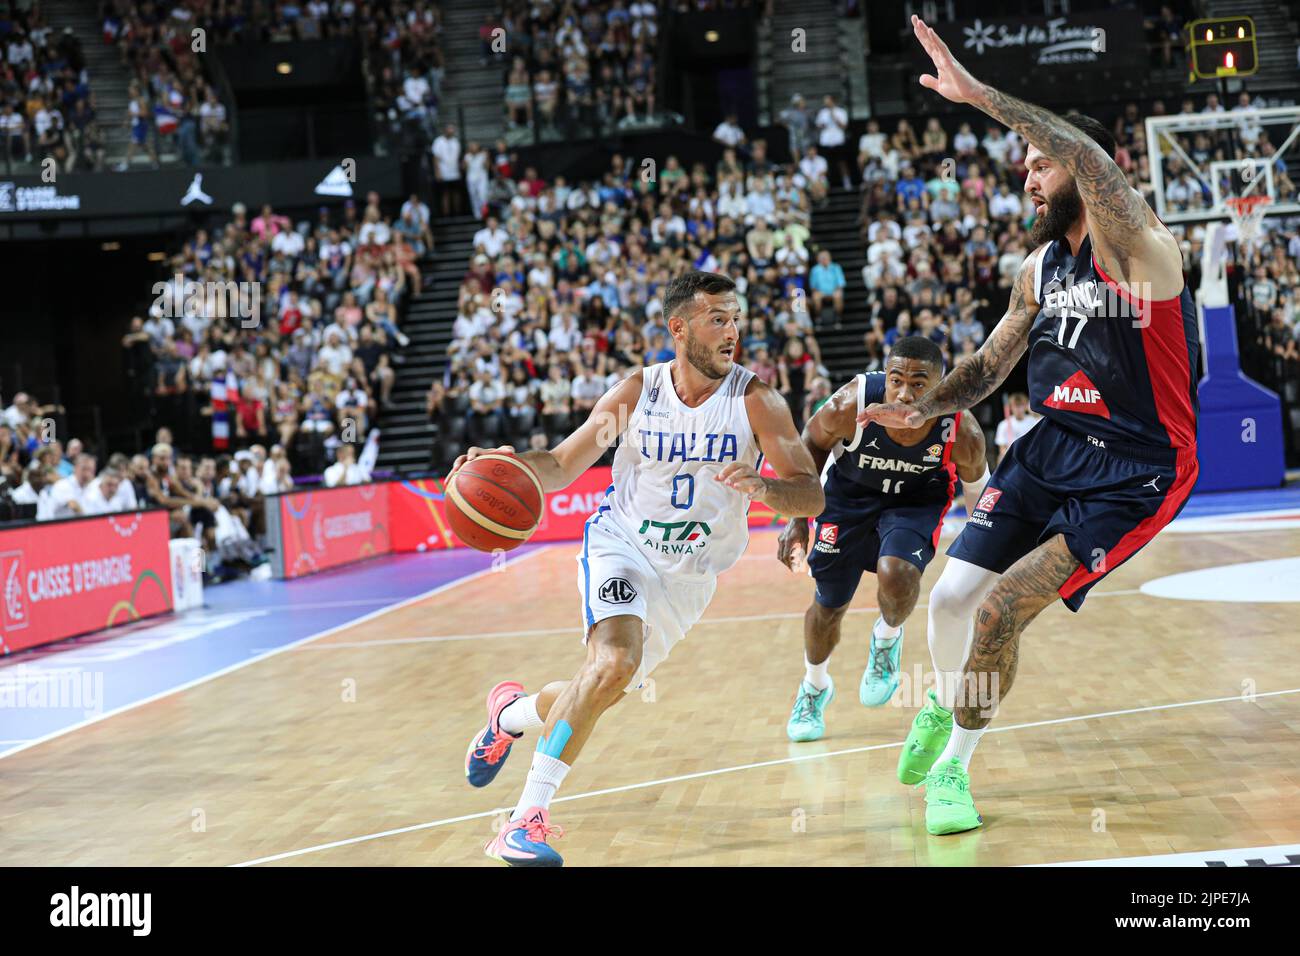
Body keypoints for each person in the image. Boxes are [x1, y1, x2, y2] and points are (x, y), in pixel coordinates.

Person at [860, 16, 1200, 836]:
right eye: (1026, 165)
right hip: (1047, 448)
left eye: (1041, 164)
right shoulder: (1039, 266)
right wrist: (927, 405)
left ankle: (955, 773)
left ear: (1087, 173)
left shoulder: (1144, 253)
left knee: (1000, 610)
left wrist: (981, 97)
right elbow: (989, 364)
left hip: (1136, 468)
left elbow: (1085, 159)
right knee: (949, 598)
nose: (1027, 176)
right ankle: (947, 706)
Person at [455, 271, 825, 866]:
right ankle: (522, 824)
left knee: (601, 689)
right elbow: (558, 464)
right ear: (678, 328)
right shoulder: (637, 393)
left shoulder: (759, 401)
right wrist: (506, 465)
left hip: (690, 579)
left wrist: (768, 489)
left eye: (735, 318)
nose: (733, 331)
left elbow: (811, 495)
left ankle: (512, 714)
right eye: (717, 319)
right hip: (620, 545)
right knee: (615, 662)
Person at [776, 337, 988, 741]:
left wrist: (986, 552)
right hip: (848, 499)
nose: (905, 393)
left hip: (916, 501)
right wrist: (797, 519)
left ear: (941, 386)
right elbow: (810, 445)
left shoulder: (962, 430)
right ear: (886, 379)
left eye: (919, 384)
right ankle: (814, 685)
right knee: (828, 605)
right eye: (897, 381)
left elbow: (980, 492)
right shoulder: (849, 405)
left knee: (898, 572)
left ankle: (886, 639)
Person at [993, 392, 1039, 464]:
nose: (1018, 409)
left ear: (1026, 406)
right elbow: (1002, 448)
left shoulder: (1034, 422)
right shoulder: (1003, 424)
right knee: (1001, 458)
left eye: (1021, 405)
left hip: (1029, 456)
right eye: (1016, 406)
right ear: (1010, 407)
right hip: (1010, 457)